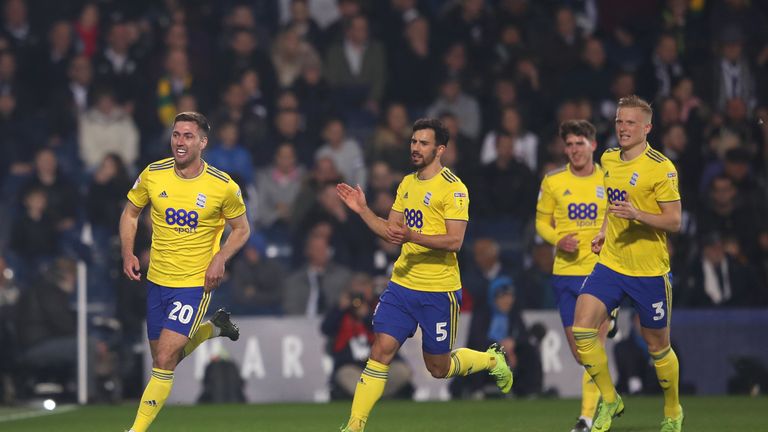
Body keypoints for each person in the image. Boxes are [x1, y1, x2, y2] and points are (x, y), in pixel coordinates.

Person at [336, 118, 512, 432]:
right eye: (414, 142)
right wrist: (362, 209)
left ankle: (491, 360)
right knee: (381, 350)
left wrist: (412, 236)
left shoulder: (454, 189)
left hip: (438, 291)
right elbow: (392, 233)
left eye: (423, 143)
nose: (415, 148)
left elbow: (454, 241)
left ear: (440, 149)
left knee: (438, 368)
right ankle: (354, 426)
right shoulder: (407, 183)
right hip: (402, 284)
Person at [120, 112, 250, 432]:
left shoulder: (223, 186)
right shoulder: (153, 174)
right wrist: (127, 252)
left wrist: (221, 258)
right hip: (157, 280)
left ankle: (135, 430)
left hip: (194, 284)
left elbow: (242, 230)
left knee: (164, 357)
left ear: (202, 143)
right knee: (165, 360)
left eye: (188, 136)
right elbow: (130, 213)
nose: (180, 141)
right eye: (177, 135)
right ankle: (213, 330)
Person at [573, 95, 684, 432]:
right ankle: (610, 399)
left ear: (647, 128)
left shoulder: (661, 168)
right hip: (612, 264)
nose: (623, 128)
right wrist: (605, 232)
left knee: (657, 346)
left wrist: (638, 215)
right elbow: (613, 205)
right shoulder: (608, 159)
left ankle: (672, 411)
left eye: (631, 123)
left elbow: (674, 221)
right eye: (620, 121)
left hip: (649, 271)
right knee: (582, 330)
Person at [535, 119, 617, 432]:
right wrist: (558, 239)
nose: (574, 150)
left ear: (593, 145)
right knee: (582, 356)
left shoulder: (609, 179)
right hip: (565, 273)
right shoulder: (553, 181)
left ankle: (585, 419)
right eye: (569, 144)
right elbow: (541, 222)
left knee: (593, 345)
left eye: (580, 143)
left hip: (600, 272)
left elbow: (619, 218)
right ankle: (607, 399)